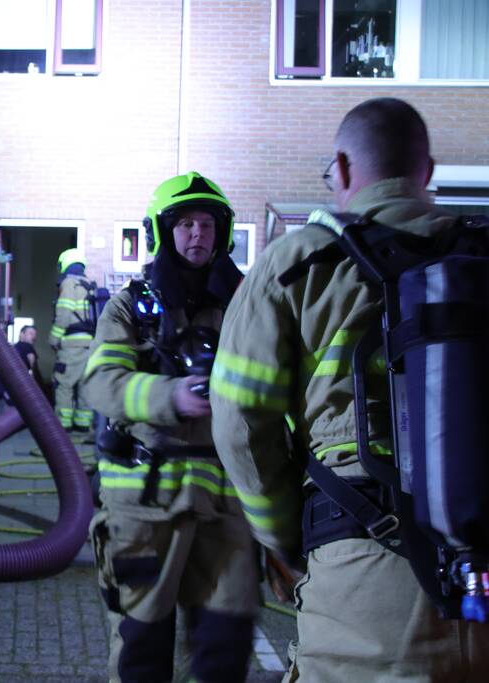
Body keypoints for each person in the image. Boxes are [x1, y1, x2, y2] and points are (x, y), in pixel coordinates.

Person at [211, 97, 489, 681]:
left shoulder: (297, 263)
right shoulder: (480, 257)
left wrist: (286, 536)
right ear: (427, 171)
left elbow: (240, 423)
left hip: (362, 572)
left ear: (340, 168)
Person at [83, 172, 258, 683]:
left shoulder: (247, 306)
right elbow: (102, 383)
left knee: (225, 651)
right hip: (145, 507)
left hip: (227, 509)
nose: (197, 234)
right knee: (142, 652)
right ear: (163, 231)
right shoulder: (131, 307)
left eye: (207, 224)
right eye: (185, 224)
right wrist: (172, 396)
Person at [50, 249, 95, 432]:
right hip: (91, 344)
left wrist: (54, 338)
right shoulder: (90, 285)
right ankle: (83, 423)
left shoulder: (69, 283)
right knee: (85, 384)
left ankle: (63, 424)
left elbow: (64, 313)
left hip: (71, 344)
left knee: (64, 383)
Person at [0, 324, 38, 415]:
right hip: (8, 390)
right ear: (21, 334)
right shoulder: (28, 347)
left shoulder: (13, 348)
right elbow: (33, 370)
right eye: (31, 333)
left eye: (35, 335)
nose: (34, 337)